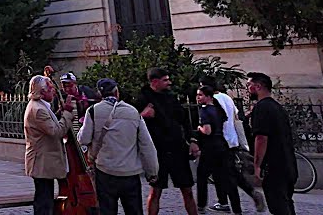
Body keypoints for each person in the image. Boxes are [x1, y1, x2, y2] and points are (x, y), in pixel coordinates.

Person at [78, 78, 157, 215]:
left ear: (99, 93)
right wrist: (152, 172)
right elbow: (147, 145)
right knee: (134, 210)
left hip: (105, 171)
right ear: (117, 92)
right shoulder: (133, 112)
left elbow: (83, 139)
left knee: (107, 210)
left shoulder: (93, 111)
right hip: (130, 173)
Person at [132, 67, 197, 215]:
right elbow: (131, 123)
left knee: (187, 190)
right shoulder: (142, 98)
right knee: (156, 191)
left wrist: (192, 140)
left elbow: (184, 120)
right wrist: (143, 115)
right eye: (165, 80)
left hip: (177, 149)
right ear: (155, 82)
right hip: (157, 151)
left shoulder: (171, 97)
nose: (169, 83)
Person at [203, 81, 266, 214]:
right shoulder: (226, 97)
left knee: (226, 175)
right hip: (231, 140)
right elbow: (237, 118)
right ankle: (226, 201)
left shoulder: (212, 102)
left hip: (220, 140)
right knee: (225, 173)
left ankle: (232, 203)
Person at [247, 72, 296, 215]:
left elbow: (261, 138)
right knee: (286, 203)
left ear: (258, 86)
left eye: (249, 85)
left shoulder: (262, 108)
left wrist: (257, 166)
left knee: (279, 206)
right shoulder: (277, 107)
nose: (247, 89)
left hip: (274, 166)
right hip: (288, 164)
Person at [24, 74, 69, 215]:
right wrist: (67, 114)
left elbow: (49, 124)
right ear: (42, 92)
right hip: (41, 162)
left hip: (43, 161)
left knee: (45, 197)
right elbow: (56, 131)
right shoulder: (38, 110)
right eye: (50, 89)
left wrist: (59, 113)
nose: (53, 91)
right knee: (44, 201)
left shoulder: (41, 106)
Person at [194, 85, 241, 215]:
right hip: (222, 145)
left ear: (208, 96)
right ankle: (237, 209)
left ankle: (201, 205)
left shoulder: (205, 111)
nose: (198, 98)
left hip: (210, 147)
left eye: (200, 95)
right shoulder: (218, 109)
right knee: (227, 178)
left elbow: (207, 131)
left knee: (202, 176)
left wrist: (199, 128)